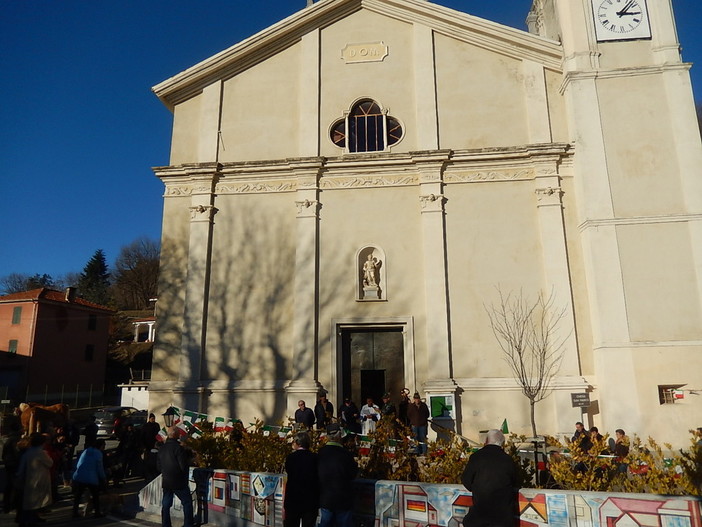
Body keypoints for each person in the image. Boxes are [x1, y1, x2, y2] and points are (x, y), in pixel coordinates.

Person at [461, 429, 517, 527]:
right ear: (502, 444)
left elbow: (466, 480)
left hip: (480, 515)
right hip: (503, 519)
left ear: (486, 441)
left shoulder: (476, 457)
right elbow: (516, 481)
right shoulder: (508, 459)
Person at [317, 423, 358, 527]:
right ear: (339, 436)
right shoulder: (346, 454)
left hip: (326, 498)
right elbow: (353, 474)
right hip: (343, 499)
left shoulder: (320, 453)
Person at [159, 427, 194, 527]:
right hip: (178, 481)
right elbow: (183, 466)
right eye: (179, 434)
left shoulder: (162, 448)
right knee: (187, 503)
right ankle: (188, 524)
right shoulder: (178, 448)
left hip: (166, 480)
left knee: (166, 504)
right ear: (175, 435)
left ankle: (166, 524)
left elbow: (158, 466)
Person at [16, 432, 53, 527]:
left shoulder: (27, 453)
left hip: (28, 480)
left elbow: (21, 469)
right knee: (36, 502)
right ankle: (31, 521)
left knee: (28, 502)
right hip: (39, 479)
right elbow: (50, 463)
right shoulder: (41, 453)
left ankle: (28, 520)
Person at [284, 432, 319, 527]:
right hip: (310, 500)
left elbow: (288, 471)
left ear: (298, 443)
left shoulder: (291, 458)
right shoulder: (315, 458)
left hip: (293, 499)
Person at [72, 438, 107, 518]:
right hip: (91, 477)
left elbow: (79, 463)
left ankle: (75, 512)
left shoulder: (86, 451)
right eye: (104, 445)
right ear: (101, 446)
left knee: (78, 495)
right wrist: (103, 477)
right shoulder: (98, 454)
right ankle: (97, 512)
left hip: (80, 475)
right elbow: (100, 468)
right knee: (95, 495)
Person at [2, 420, 22, 513]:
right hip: (14, 464)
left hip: (9, 463)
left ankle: (7, 505)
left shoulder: (9, 439)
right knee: (14, 485)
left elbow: (4, 453)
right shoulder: (15, 439)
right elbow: (16, 452)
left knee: (9, 485)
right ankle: (11, 504)